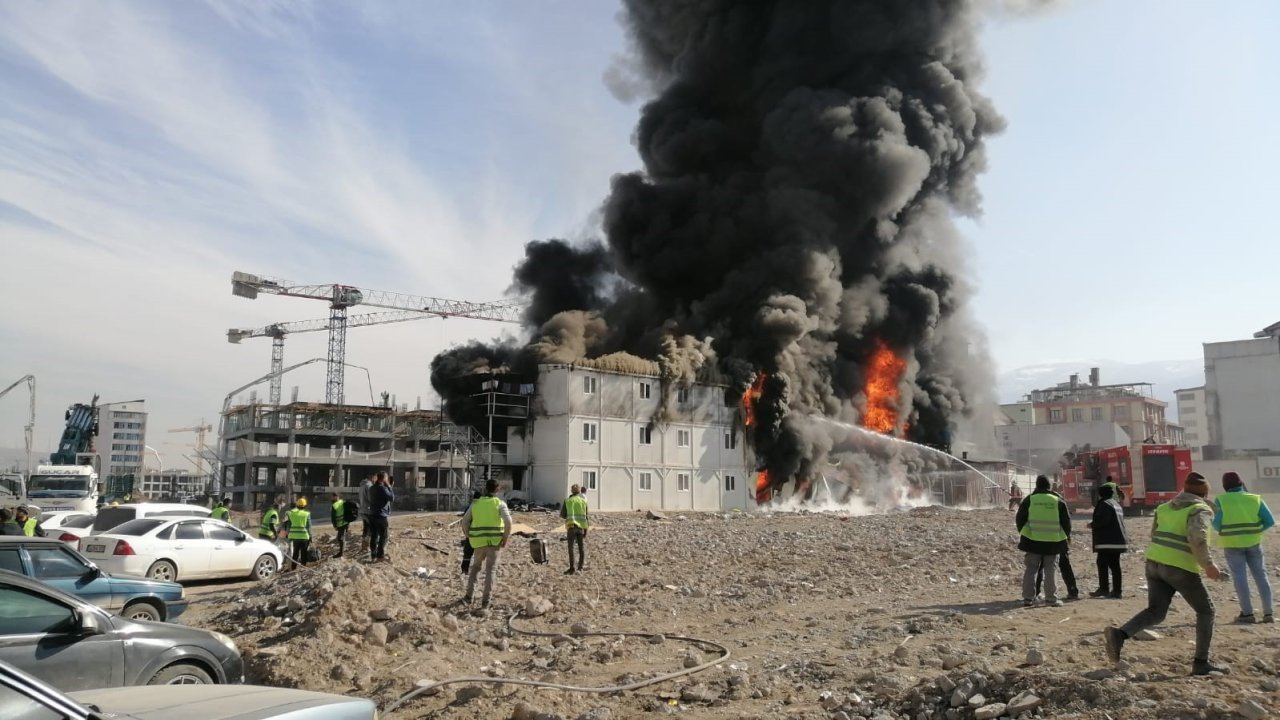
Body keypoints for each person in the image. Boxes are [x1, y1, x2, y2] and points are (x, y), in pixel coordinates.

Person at [1104, 472, 1229, 675]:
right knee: (1206, 611)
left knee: (1156, 611)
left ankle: (1120, 635)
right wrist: (1208, 565)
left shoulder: (1163, 508)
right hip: (1180, 567)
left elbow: (1154, 534)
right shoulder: (1200, 509)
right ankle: (1201, 663)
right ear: (1205, 493)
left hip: (1154, 563)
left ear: (1184, 489)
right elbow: (1198, 537)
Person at [1212, 471, 1275, 623]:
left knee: (1240, 578)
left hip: (1232, 544)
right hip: (1253, 542)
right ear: (1241, 483)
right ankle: (1268, 613)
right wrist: (1255, 529)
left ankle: (1247, 614)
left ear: (1224, 486)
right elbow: (1270, 521)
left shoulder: (1220, 500)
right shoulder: (1255, 499)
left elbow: (1216, 523)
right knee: (1261, 576)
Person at [1016, 475, 1071, 607]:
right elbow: (1066, 522)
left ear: (1037, 485)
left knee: (1031, 569)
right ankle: (1051, 599)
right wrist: (1066, 537)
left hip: (1032, 540)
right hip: (1053, 542)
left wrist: (1024, 532)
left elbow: (1020, 519)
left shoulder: (1029, 500)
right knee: (1050, 570)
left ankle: (1028, 598)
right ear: (1049, 486)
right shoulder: (1058, 501)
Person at [461, 479, 512, 609]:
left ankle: (468, 597)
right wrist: (505, 538)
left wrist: (469, 535)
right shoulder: (500, 504)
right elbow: (508, 522)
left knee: (476, 568)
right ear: (497, 489)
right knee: (491, 571)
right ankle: (486, 602)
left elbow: (464, 522)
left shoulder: (476, 504)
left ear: (486, 488)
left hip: (478, 542)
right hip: (495, 543)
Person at [1089, 482, 1130, 598]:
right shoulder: (1116, 504)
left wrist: (1092, 525)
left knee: (1102, 564)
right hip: (1118, 541)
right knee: (1115, 566)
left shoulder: (1104, 504)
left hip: (1107, 541)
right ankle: (1117, 591)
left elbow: (1103, 521)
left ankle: (1104, 589)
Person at [561, 483, 589, 574]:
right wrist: (586, 530)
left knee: (571, 548)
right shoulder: (583, 501)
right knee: (581, 548)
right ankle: (580, 567)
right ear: (579, 491)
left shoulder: (567, 501)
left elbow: (563, 515)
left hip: (571, 527)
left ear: (571, 491)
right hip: (581, 527)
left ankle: (572, 568)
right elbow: (586, 516)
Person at [367, 472, 393, 562]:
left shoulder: (371, 488)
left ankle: (373, 555)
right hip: (381, 516)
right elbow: (392, 498)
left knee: (374, 535)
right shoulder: (382, 488)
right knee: (384, 536)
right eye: (386, 478)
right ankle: (380, 555)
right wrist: (389, 486)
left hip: (372, 514)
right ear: (383, 479)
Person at [281, 498, 313, 569]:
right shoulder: (306, 514)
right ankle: (303, 567)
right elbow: (309, 527)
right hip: (304, 537)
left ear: (297, 505)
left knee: (295, 553)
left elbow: (288, 525)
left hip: (295, 537)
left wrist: (288, 534)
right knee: (303, 553)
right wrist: (311, 537)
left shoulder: (291, 513)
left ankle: (293, 568)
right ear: (305, 506)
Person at [459, 492, 479, 574]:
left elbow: (465, 521)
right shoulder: (482, 507)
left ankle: (464, 569)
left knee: (467, 553)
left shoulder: (469, 506)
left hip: (471, 533)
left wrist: (466, 533)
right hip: (481, 534)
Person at [330, 492, 350, 559]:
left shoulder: (334, 505)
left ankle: (341, 553)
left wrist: (335, 526)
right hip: (345, 522)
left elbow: (333, 517)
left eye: (332, 496)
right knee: (341, 537)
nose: (331, 498)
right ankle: (341, 552)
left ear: (335, 496)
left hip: (340, 524)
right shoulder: (342, 502)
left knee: (340, 538)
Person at [358, 474, 374, 551]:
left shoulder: (362, 485)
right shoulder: (369, 486)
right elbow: (371, 499)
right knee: (371, 528)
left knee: (366, 528)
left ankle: (363, 546)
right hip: (368, 510)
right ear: (372, 477)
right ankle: (367, 545)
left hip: (362, 510)